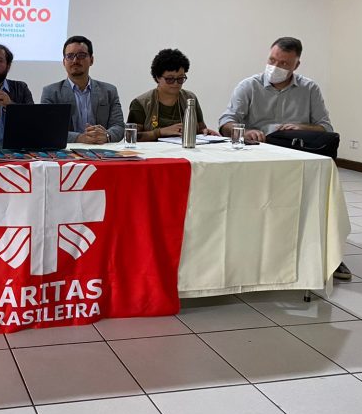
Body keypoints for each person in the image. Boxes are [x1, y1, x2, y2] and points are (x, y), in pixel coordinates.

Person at [218, 36, 349, 280]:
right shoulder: (249, 86)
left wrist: (302, 127)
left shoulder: (309, 89)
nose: (275, 67)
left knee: (320, 202)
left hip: (298, 156)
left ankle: (330, 255)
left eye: (284, 63)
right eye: (272, 60)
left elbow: (325, 127)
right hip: (259, 156)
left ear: (296, 65)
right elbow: (226, 122)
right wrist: (245, 131)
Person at [40, 35, 124, 144]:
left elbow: (119, 126)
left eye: (81, 55)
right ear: (64, 62)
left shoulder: (109, 91)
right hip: (68, 151)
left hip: (102, 149)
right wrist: (80, 138)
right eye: (70, 56)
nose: (75, 60)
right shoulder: (51, 92)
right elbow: (48, 129)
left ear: (91, 60)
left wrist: (106, 135)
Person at [127, 48, 219, 141]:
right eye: (170, 79)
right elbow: (130, 137)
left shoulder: (190, 98)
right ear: (158, 77)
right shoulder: (141, 103)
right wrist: (160, 132)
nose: (176, 83)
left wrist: (205, 132)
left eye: (180, 79)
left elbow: (200, 129)